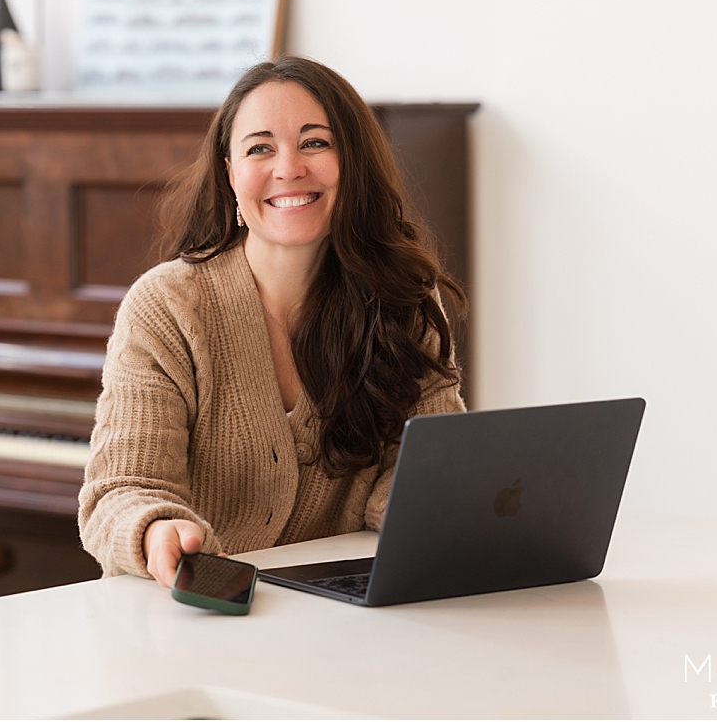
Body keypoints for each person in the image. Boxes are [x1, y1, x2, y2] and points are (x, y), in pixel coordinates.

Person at [78, 56, 466, 588]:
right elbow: (120, 490)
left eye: (315, 142)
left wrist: (438, 498)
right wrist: (157, 530)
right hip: (191, 619)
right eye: (260, 148)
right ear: (229, 172)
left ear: (353, 162)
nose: (288, 169)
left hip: (341, 625)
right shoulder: (166, 306)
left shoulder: (404, 298)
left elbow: (431, 469)